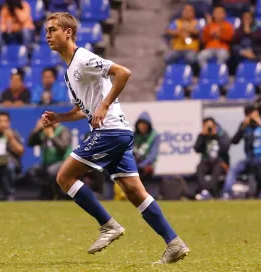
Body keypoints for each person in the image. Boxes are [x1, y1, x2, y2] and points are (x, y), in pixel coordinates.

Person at [41, 12, 189, 263]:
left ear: (68, 32)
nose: (48, 35)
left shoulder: (83, 57)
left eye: (53, 30)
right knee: (134, 192)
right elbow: (82, 110)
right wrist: (60, 118)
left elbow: (123, 72)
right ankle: (174, 243)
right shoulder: (69, 72)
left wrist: (105, 106)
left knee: (64, 177)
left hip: (110, 131)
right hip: (117, 132)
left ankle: (108, 225)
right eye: (46, 31)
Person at [221, 105, 261, 199]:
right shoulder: (245, 126)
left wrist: (260, 123)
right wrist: (242, 128)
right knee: (234, 169)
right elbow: (234, 141)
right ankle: (226, 193)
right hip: (249, 159)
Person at [27, 119, 72, 200]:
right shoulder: (44, 132)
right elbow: (30, 143)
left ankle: (58, 194)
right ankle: (47, 191)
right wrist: (36, 130)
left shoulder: (63, 130)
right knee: (32, 171)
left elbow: (63, 148)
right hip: (47, 163)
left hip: (63, 162)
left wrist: (52, 136)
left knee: (51, 171)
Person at [193, 117, 230, 200]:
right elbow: (196, 149)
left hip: (220, 161)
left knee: (217, 170)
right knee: (200, 169)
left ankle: (209, 191)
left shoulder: (222, 134)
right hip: (206, 161)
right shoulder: (203, 135)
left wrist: (216, 135)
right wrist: (202, 136)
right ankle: (204, 191)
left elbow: (225, 148)